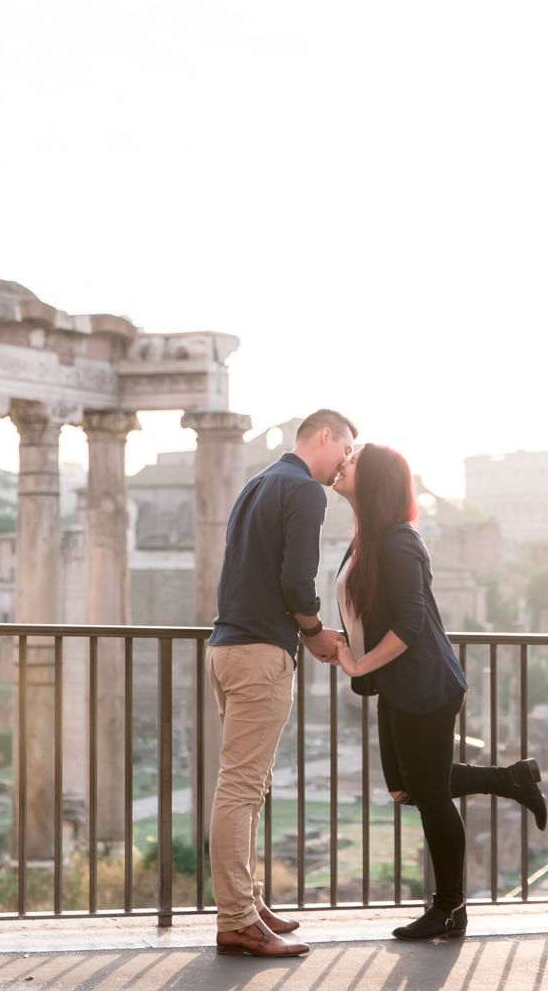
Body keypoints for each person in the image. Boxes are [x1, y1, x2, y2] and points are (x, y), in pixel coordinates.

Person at [326, 443, 548, 941]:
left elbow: (408, 624)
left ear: (377, 479)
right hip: (398, 683)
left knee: (429, 796)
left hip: (425, 685)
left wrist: (358, 661)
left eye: (355, 458)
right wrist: (341, 645)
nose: (344, 462)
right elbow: (368, 615)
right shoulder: (365, 540)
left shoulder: (400, 542)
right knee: (406, 786)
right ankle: (511, 779)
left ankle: (449, 909)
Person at [206, 409, 357, 958]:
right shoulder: (305, 491)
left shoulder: (257, 483)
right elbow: (296, 582)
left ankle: (248, 905)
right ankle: (237, 921)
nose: (345, 465)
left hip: (226, 648)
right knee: (241, 788)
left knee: (250, 787)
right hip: (261, 653)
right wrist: (316, 634)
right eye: (345, 451)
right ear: (325, 436)